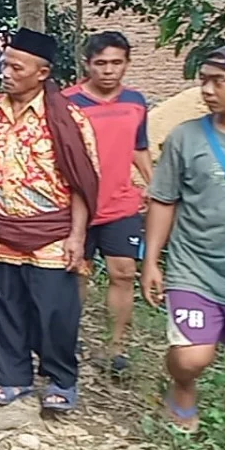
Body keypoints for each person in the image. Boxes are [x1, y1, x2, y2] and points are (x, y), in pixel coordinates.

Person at [142, 44, 225, 450]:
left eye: (218, 81)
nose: (206, 90)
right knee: (192, 357)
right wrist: (152, 259)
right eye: (203, 80)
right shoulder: (187, 137)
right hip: (196, 270)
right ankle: (182, 385)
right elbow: (163, 200)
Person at [0, 28, 98, 413]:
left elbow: (81, 181)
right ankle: (13, 377)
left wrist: (77, 235)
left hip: (51, 233)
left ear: (42, 73)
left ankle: (61, 378)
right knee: (1, 304)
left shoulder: (69, 119)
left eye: (16, 67)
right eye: (5, 64)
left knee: (55, 310)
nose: (6, 72)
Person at [63, 32, 152, 374]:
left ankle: (116, 347)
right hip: (78, 206)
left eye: (116, 63)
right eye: (100, 63)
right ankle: (69, 339)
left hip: (122, 203)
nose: (109, 70)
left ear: (127, 64)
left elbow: (137, 146)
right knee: (77, 274)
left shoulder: (136, 102)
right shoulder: (69, 102)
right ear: (87, 65)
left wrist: (153, 184)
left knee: (124, 272)